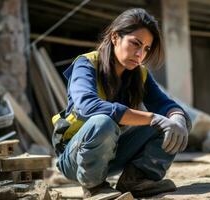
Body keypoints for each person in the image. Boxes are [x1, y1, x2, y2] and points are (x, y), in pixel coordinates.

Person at [52, 8, 192, 200]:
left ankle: (137, 179)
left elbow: (164, 104)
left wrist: (177, 117)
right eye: (135, 44)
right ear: (115, 37)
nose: (140, 54)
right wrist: (151, 117)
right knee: (103, 122)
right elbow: (88, 106)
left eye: (146, 49)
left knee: (177, 122)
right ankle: (94, 187)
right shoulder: (86, 65)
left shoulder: (139, 73)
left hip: (112, 152)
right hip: (75, 157)